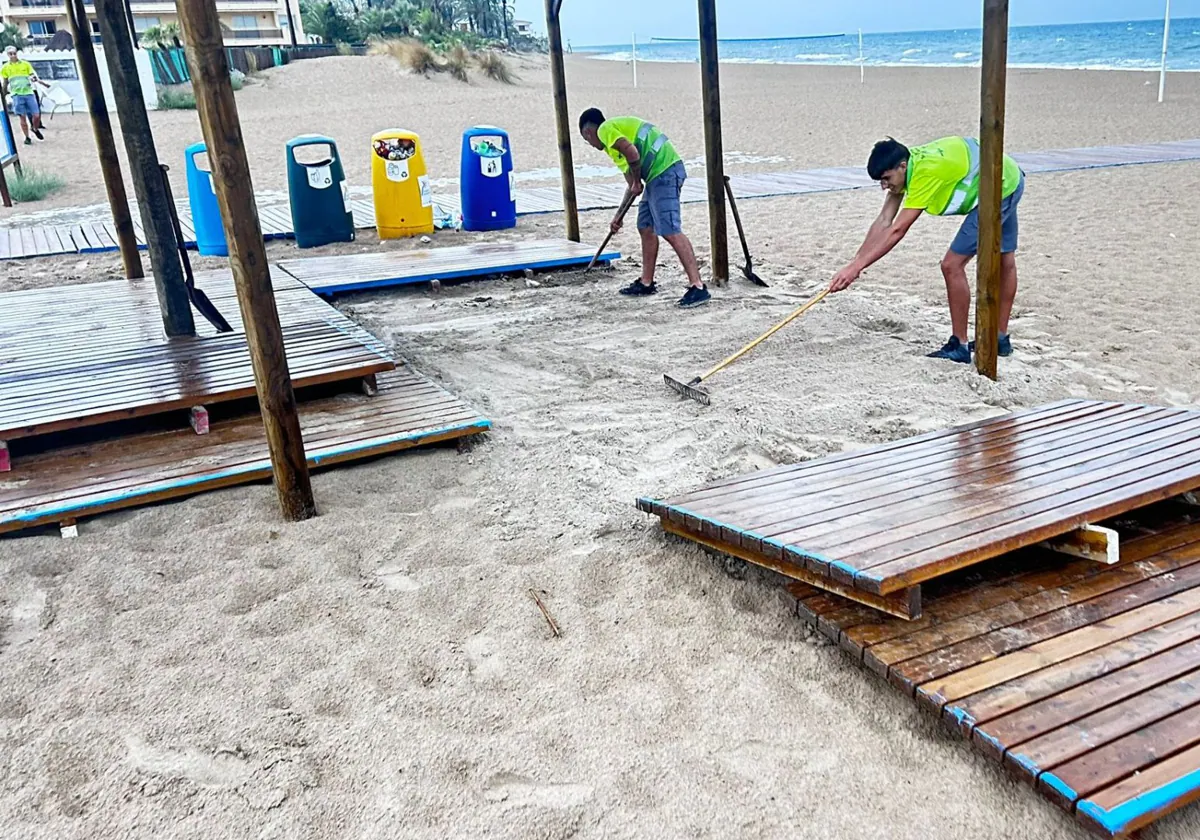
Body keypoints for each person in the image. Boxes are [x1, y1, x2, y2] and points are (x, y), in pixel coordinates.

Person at [829, 136, 1026, 363]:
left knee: (952, 265)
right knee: (1004, 257)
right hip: (1005, 174)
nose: (884, 186)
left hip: (1001, 186)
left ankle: (960, 345)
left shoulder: (924, 173)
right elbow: (884, 220)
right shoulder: (907, 163)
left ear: (902, 166)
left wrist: (857, 267)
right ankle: (999, 340)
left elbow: (897, 230)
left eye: (886, 179)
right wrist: (854, 264)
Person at [578, 108, 710, 308]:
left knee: (670, 230)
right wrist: (618, 217)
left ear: (588, 132)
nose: (590, 144)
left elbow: (632, 152)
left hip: (665, 171)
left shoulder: (606, 129)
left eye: (587, 140)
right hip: (655, 176)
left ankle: (698, 286)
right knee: (645, 226)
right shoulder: (612, 146)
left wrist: (638, 180)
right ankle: (646, 282)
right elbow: (632, 186)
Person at [1, 46, 47, 146]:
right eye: (10, 54)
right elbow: (5, 82)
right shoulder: (5, 67)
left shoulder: (25, 64)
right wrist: (3, 94)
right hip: (16, 94)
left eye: (14, 53)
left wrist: (34, 78)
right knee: (22, 118)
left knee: (36, 114)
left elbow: (31, 74)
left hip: (29, 92)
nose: (13, 55)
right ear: (7, 55)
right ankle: (27, 137)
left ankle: (34, 128)